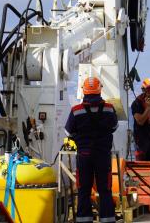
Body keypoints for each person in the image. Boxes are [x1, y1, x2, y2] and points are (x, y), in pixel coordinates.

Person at [64, 77, 118, 223]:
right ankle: (107, 219)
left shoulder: (76, 110)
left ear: (83, 90)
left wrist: (80, 138)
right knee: (105, 190)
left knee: (84, 190)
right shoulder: (109, 108)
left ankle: (84, 219)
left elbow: (68, 132)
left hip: (84, 155)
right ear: (99, 89)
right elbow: (114, 127)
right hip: (103, 155)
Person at [131, 78, 150, 161]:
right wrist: (147, 108)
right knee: (141, 164)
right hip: (141, 140)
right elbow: (140, 121)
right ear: (144, 90)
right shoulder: (137, 103)